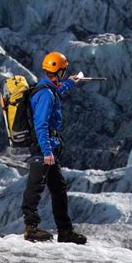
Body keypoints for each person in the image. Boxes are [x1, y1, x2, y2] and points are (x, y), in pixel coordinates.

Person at [21, 51, 87, 244]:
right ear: (59, 71)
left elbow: (58, 89)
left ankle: (65, 231)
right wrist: (47, 151)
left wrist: (71, 82)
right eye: (64, 71)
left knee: (58, 188)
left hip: (49, 145)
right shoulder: (46, 95)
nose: (65, 74)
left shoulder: (48, 88)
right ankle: (30, 228)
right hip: (44, 147)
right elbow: (41, 124)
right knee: (36, 186)